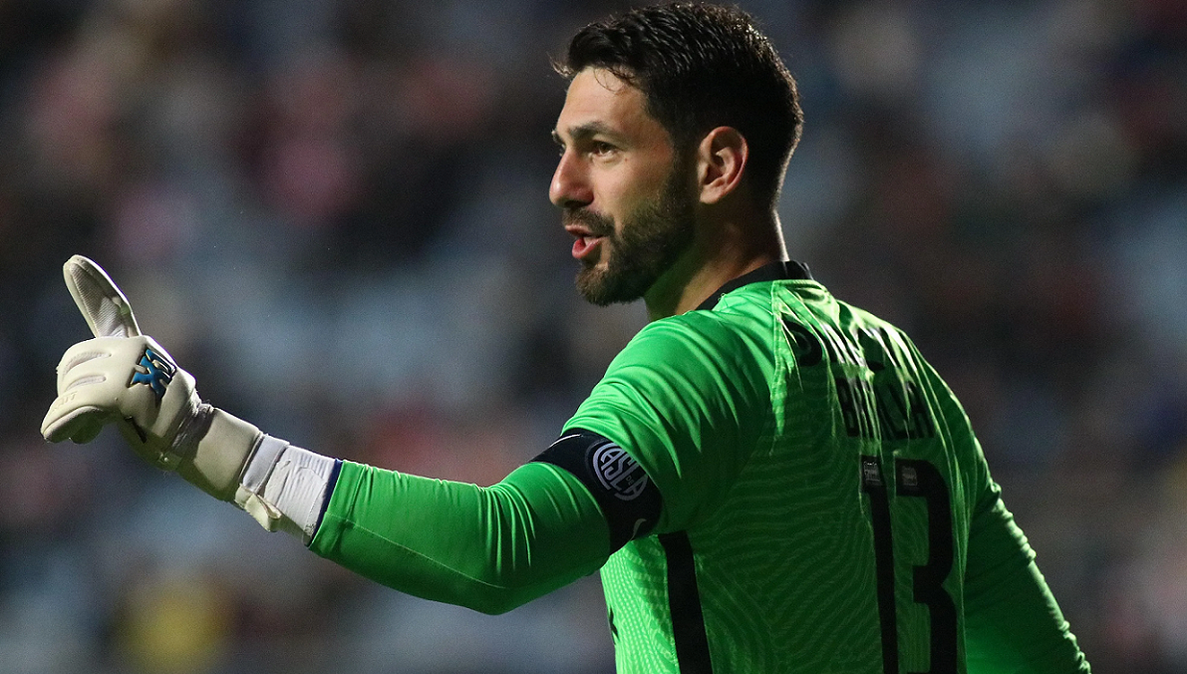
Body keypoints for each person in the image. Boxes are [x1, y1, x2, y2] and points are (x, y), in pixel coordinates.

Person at [42, 3, 1091, 672]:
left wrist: (208, 442)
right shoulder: (910, 377)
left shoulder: (702, 358)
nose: (561, 186)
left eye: (601, 150)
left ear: (717, 166)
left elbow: (504, 548)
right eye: (560, 149)